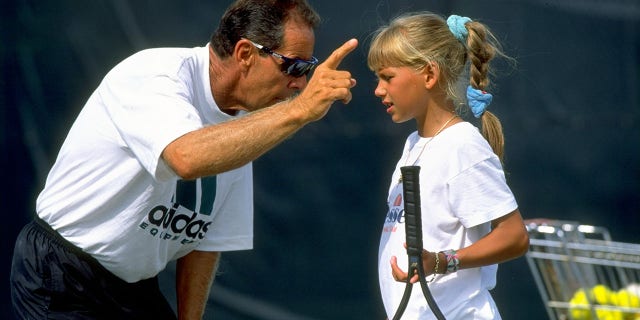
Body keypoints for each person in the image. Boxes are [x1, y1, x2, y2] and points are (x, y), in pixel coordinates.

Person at [10, 0, 358, 319]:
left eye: (308, 69)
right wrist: (299, 111)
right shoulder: (154, 74)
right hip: (61, 273)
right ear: (245, 53)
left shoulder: (240, 126)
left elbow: (205, 242)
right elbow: (185, 157)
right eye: (294, 66)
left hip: (131, 287)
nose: (300, 84)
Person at [368, 12, 530, 319]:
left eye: (387, 77)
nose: (378, 89)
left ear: (429, 74)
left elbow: (514, 236)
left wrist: (442, 261)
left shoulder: (461, 144)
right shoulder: (413, 145)